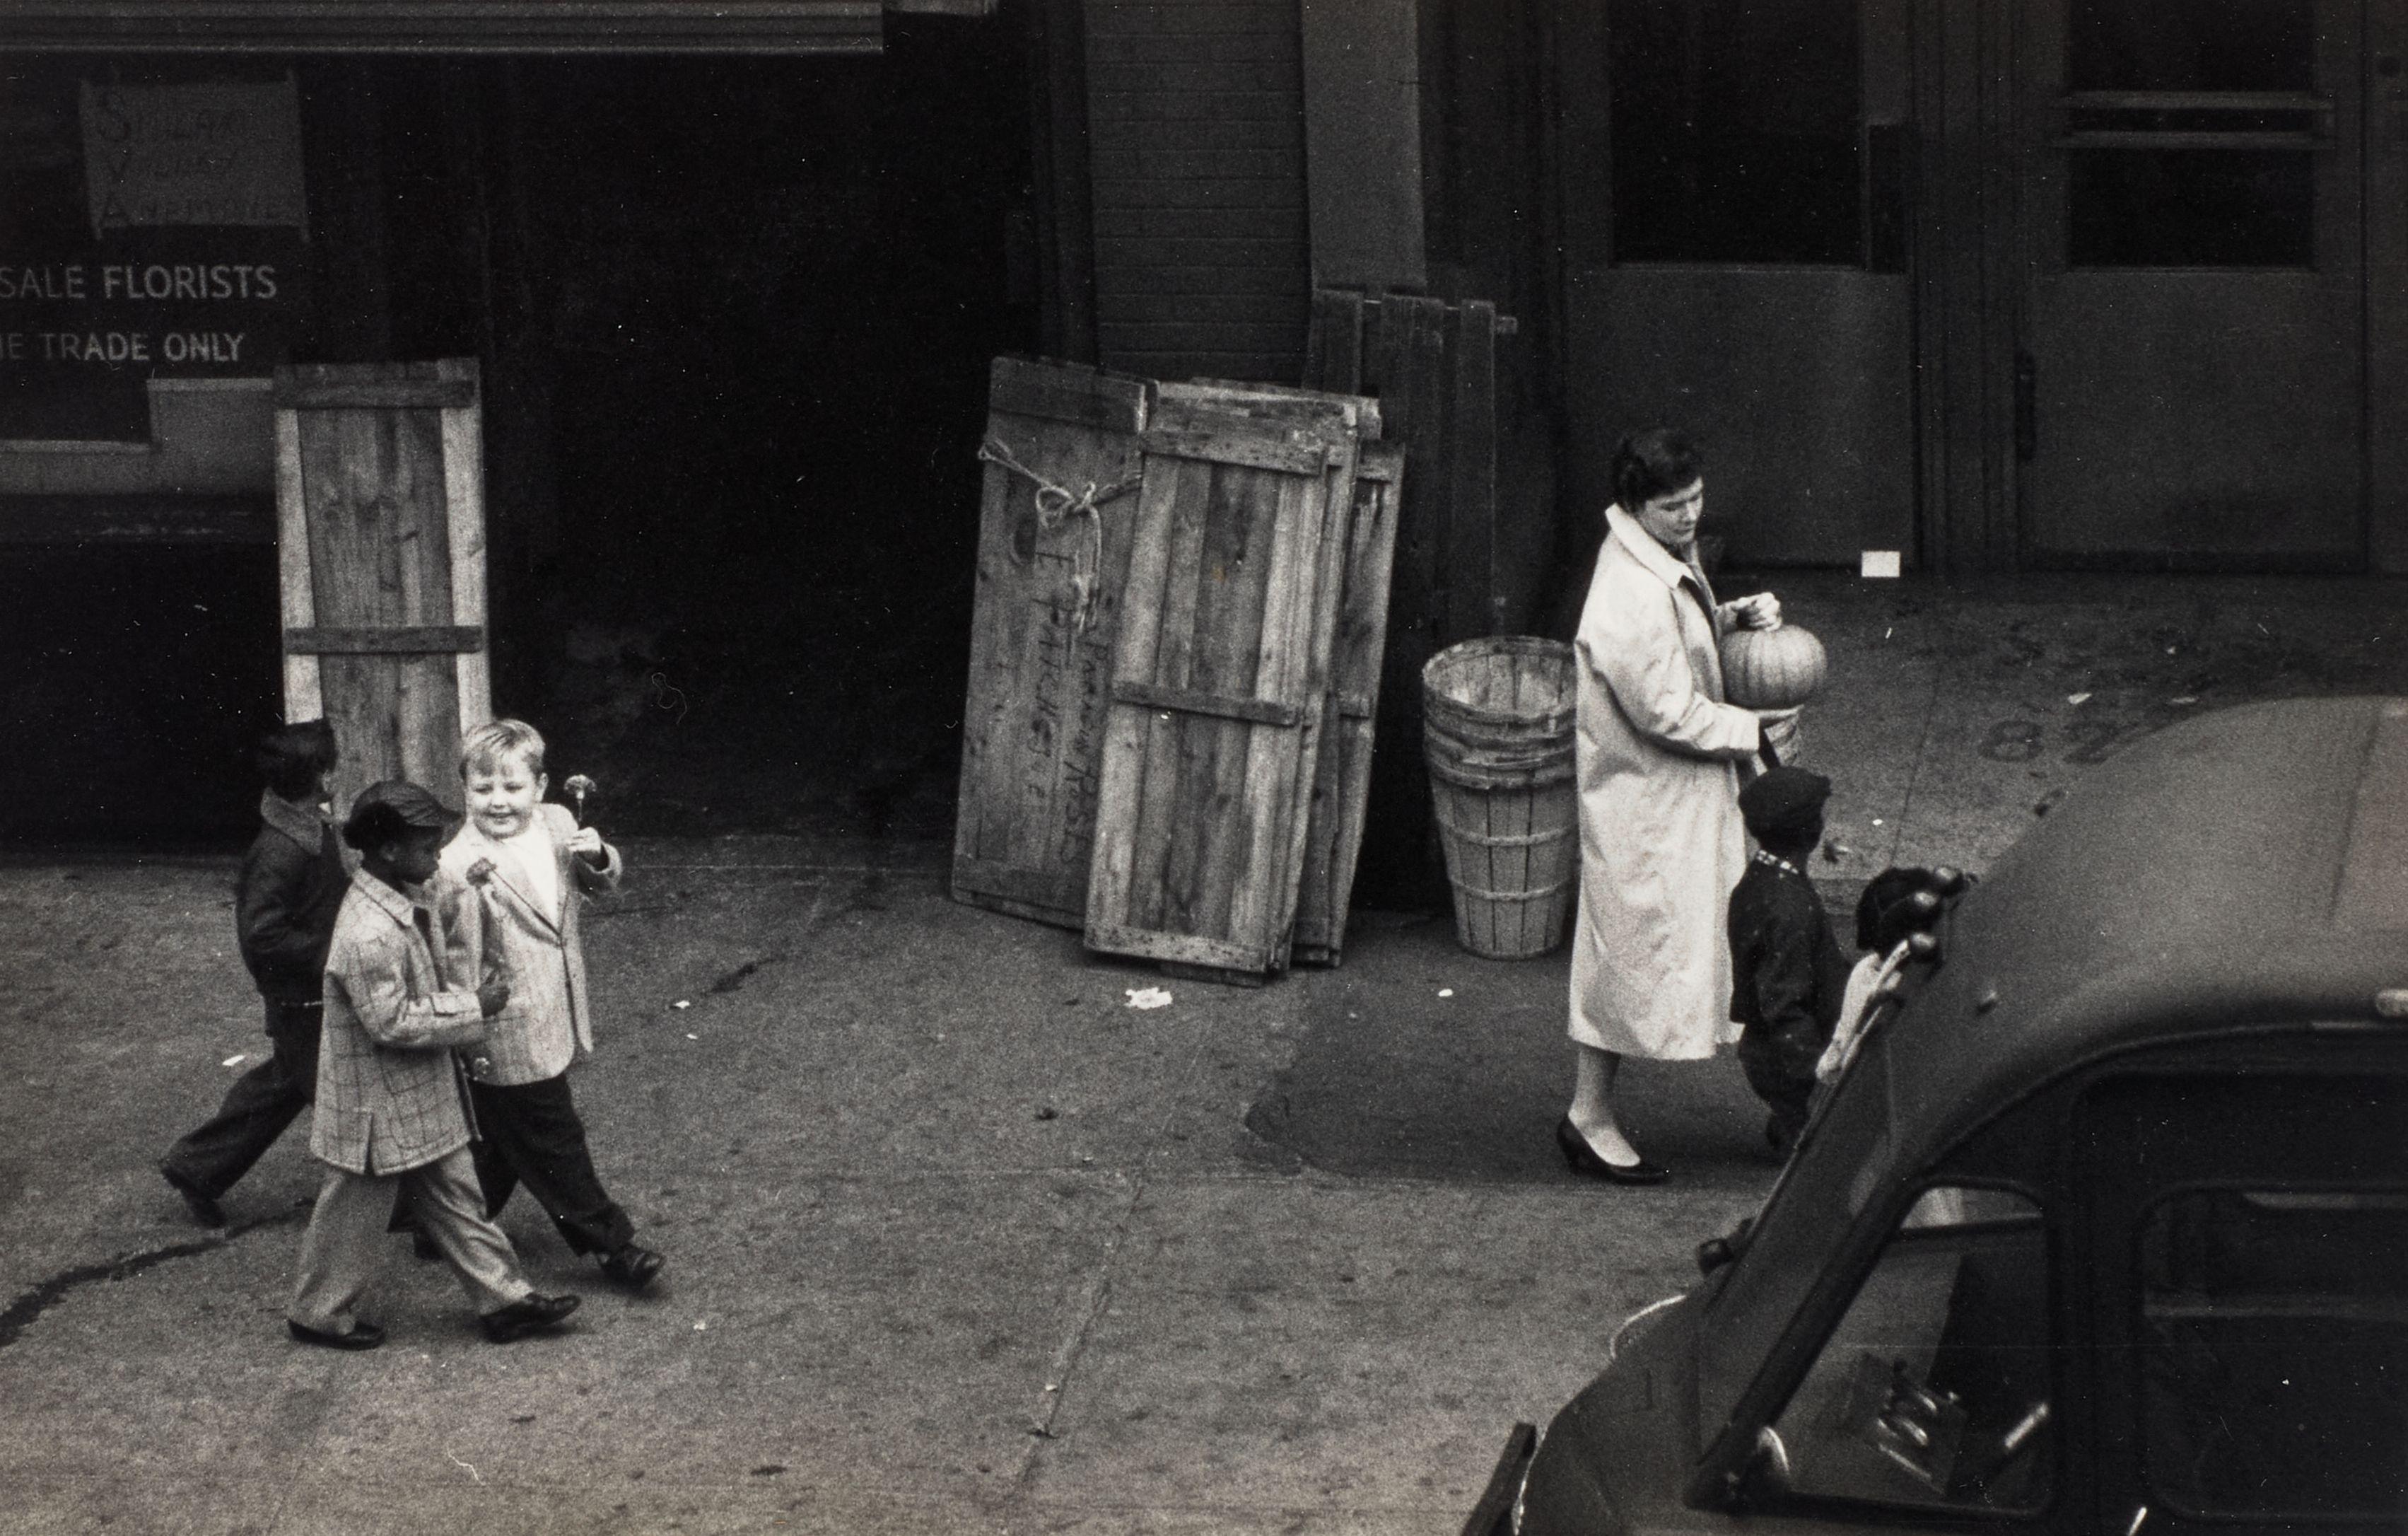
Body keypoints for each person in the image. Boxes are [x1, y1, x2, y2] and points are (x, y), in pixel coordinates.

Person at [1560, 428, 1796, 1185]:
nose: (1690, 515)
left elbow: (1673, 645)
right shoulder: (1627, 591)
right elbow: (1664, 708)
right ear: (1636, 506)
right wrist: (1753, 730)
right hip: (1647, 806)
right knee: (1629, 961)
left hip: (1673, 799)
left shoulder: (1654, 554)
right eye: (1673, 506)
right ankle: (1588, 1117)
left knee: (1704, 948)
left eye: (1695, 498)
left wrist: (1728, 619)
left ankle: (1792, 1107)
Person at [287, 779, 580, 1349]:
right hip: (376, 1107)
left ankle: (505, 1301)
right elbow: (391, 1021)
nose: (438, 857)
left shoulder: (398, 890)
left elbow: (443, 902)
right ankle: (317, 1313)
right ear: (389, 851)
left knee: (458, 1197)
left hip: (413, 1093)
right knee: (352, 1211)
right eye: (428, 848)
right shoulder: (368, 933)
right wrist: (475, 1006)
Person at [441, 719, 665, 1291]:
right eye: (483, 788)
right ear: (464, 789)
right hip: (505, 1025)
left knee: (502, 1138)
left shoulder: (561, 822)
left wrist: (599, 856)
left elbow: (594, 887)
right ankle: (613, 1246)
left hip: (557, 1006)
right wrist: (466, 1028)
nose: (498, 801)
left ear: (540, 787)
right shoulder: (457, 864)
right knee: (552, 1136)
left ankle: (437, 1224)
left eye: (513, 787)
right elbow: (458, 957)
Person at [160, 719, 344, 1227]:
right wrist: (331, 951)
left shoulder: (309, 828)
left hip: (313, 991)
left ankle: (196, 1167)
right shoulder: (281, 850)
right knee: (340, 1094)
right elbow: (262, 935)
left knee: (282, 1086)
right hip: (303, 996)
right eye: (333, 765)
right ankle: (401, 1199)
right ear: (320, 777)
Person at [1727, 767, 1851, 1156]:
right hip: (1787, 1056)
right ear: (1810, 832)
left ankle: (1790, 1119)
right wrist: (1819, 1079)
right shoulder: (1789, 907)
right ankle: (1797, 1127)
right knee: (1825, 1149)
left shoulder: (1760, 880)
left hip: (1765, 1047)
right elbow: (1785, 1005)